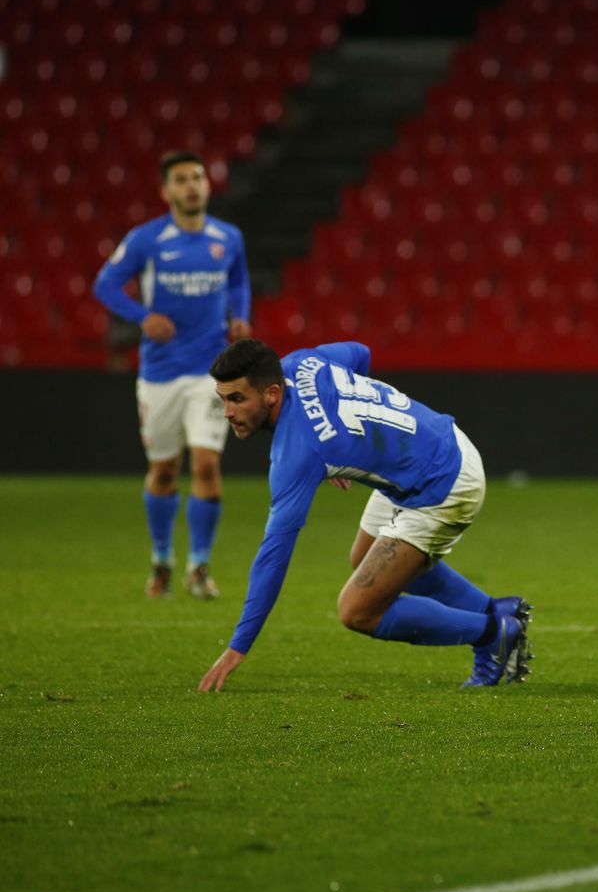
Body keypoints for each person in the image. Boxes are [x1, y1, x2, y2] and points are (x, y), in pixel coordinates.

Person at [196, 339, 529, 692]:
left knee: (357, 610)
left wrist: (239, 646)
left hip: (442, 483)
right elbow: (360, 353)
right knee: (363, 558)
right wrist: (345, 439)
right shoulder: (302, 362)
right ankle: (496, 609)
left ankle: (494, 633)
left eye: (236, 399)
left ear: (272, 393)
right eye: (222, 399)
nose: (227, 412)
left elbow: (273, 556)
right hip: (437, 442)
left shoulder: (297, 453)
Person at [94, 151, 251, 600]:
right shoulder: (146, 240)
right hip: (160, 373)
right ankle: (162, 558)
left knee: (205, 464)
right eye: (182, 180)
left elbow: (238, 281)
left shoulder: (228, 237)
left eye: (198, 177)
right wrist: (142, 317)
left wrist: (239, 316)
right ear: (166, 192)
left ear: (208, 184)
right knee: (163, 471)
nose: (192, 185)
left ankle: (199, 567)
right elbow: (105, 284)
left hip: (212, 371)